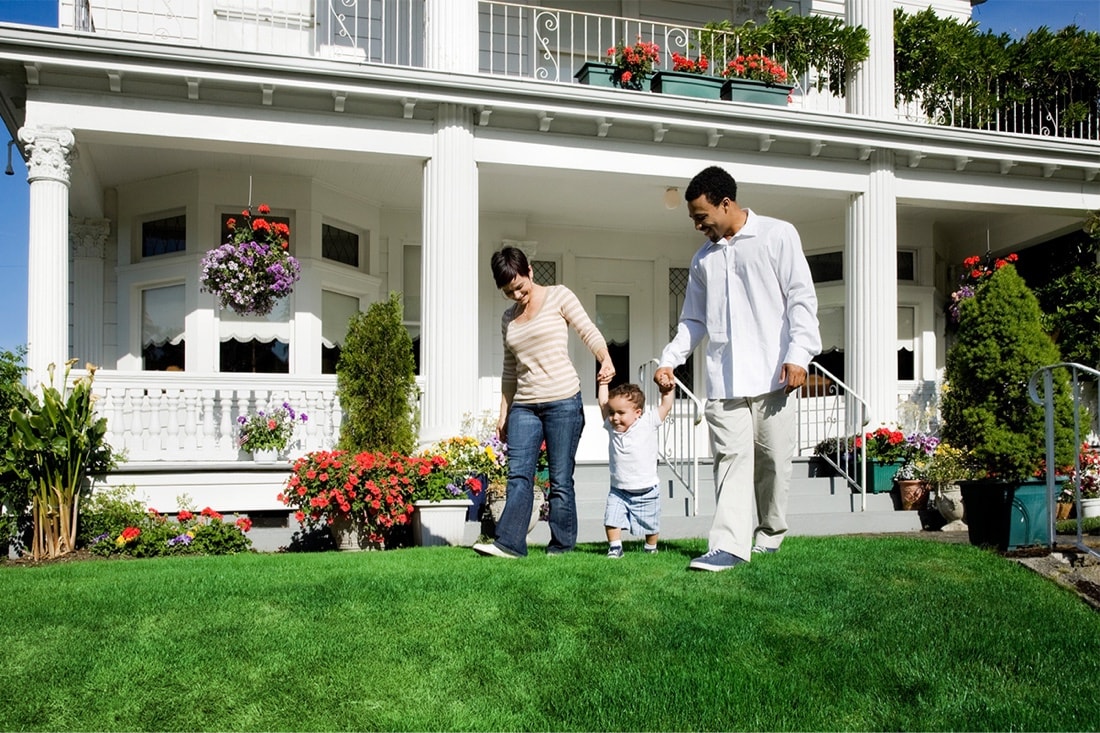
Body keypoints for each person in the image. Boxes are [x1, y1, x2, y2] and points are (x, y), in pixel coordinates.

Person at [654, 166, 820, 572]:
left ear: (725, 204)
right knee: (730, 460)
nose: (697, 226)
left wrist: (799, 354)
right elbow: (693, 321)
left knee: (774, 462)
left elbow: (801, 298)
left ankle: (770, 534)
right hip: (725, 380)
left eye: (701, 216)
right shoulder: (702, 260)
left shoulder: (778, 235)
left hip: (774, 376)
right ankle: (727, 545)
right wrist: (670, 358)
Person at [473, 246, 616, 558]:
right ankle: (510, 544)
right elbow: (509, 369)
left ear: (531, 272)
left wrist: (604, 358)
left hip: (563, 401)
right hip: (524, 405)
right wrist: (504, 413)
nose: (517, 295)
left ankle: (561, 546)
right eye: (508, 292)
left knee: (560, 478)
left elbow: (588, 331)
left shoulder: (558, 296)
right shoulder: (507, 319)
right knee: (518, 475)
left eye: (520, 287)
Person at [598, 380, 674, 558]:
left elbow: (666, 406)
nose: (615, 417)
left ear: (637, 413)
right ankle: (615, 547)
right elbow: (602, 404)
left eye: (621, 413)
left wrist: (668, 390)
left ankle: (650, 546)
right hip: (619, 489)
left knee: (651, 523)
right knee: (611, 518)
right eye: (612, 413)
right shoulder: (612, 427)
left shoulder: (647, 422)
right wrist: (603, 383)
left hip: (647, 489)